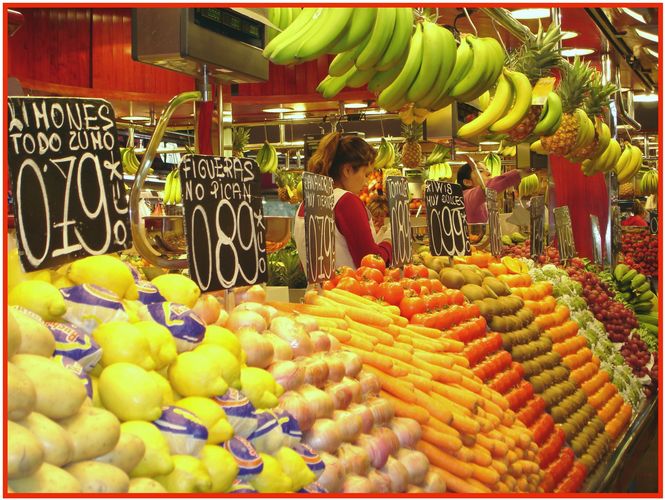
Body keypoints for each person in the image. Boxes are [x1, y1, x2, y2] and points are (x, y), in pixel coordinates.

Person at [293, 132, 392, 270]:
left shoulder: (305, 204)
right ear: (347, 170)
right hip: (349, 290)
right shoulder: (347, 201)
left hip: (319, 291)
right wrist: (389, 241)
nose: (366, 182)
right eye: (365, 174)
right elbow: (370, 263)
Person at [457, 157, 525, 224]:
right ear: (467, 182)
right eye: (480, 171)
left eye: (487, 169)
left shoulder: (482, 201)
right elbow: (490, 187)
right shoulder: (467, 197)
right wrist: (521, 172)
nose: (489, 173)